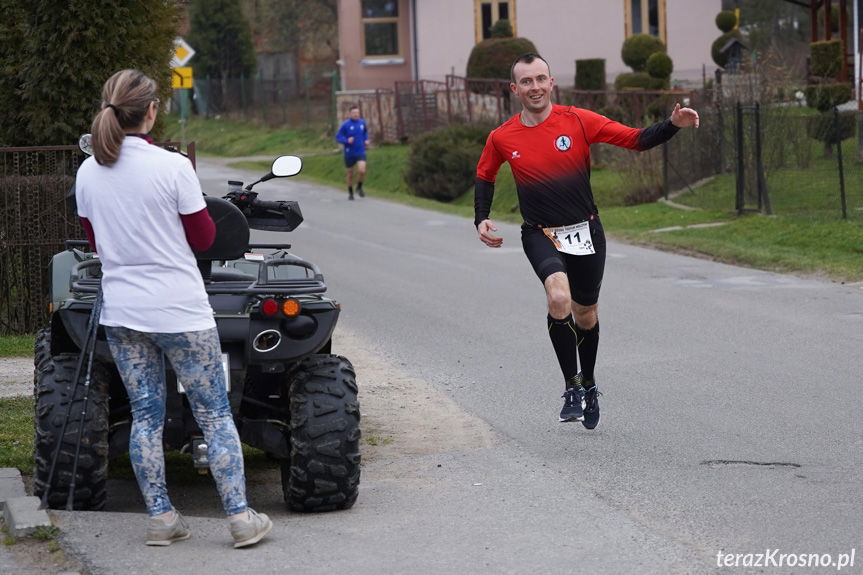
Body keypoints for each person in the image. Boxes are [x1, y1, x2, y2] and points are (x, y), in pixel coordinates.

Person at [74, 69, 272, 548]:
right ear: (152, 111)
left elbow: (94, 241)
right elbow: (204, 238)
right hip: (180, 310)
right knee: (214, 415)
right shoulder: (173, 166)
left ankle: (162, 518)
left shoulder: (87, 172)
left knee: (145, 415)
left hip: (123, 312)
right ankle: (241, 519)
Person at [474, 54, 699, 427]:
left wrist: (671, 125)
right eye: (526, 82)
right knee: (558, 297)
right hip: (540, 233)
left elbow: (635, 139)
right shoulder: (502, 136)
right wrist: (481, 217)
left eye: (540, 79)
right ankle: (572, 386)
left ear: (551, 82)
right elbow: (485, 174)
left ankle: (590, 382)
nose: (535, 87)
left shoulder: (578, 120)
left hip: (585, 231)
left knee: (585, 314)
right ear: (515, 89)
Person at [335, 105, 369, 200]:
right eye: (354, 113)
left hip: (360, 151)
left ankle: (359, 187)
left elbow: (365, 133)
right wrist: (346, 140)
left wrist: (366, 140)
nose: (356, 114)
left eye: (357, 113)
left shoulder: (362, 123)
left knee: (362, 170)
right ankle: (350, 193)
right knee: (350, 173)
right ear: (350, 114)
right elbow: (338, 137)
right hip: (349, 152)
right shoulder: (345, 125)